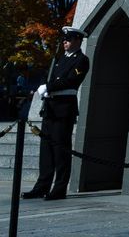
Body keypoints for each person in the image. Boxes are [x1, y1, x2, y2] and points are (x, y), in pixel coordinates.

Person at [23, 27, 90, 201]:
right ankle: (42, 186)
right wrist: (45, 88)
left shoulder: (82, 60)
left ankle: (59, 189)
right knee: (46, 151)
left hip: (63, 110)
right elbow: (52, 79)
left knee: (60, 151)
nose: (64, 42)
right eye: (64, 39)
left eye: (68, 39)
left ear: (77, 40)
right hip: (51, 108)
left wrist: (49, 87)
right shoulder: (59, 59)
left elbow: (71, 81)